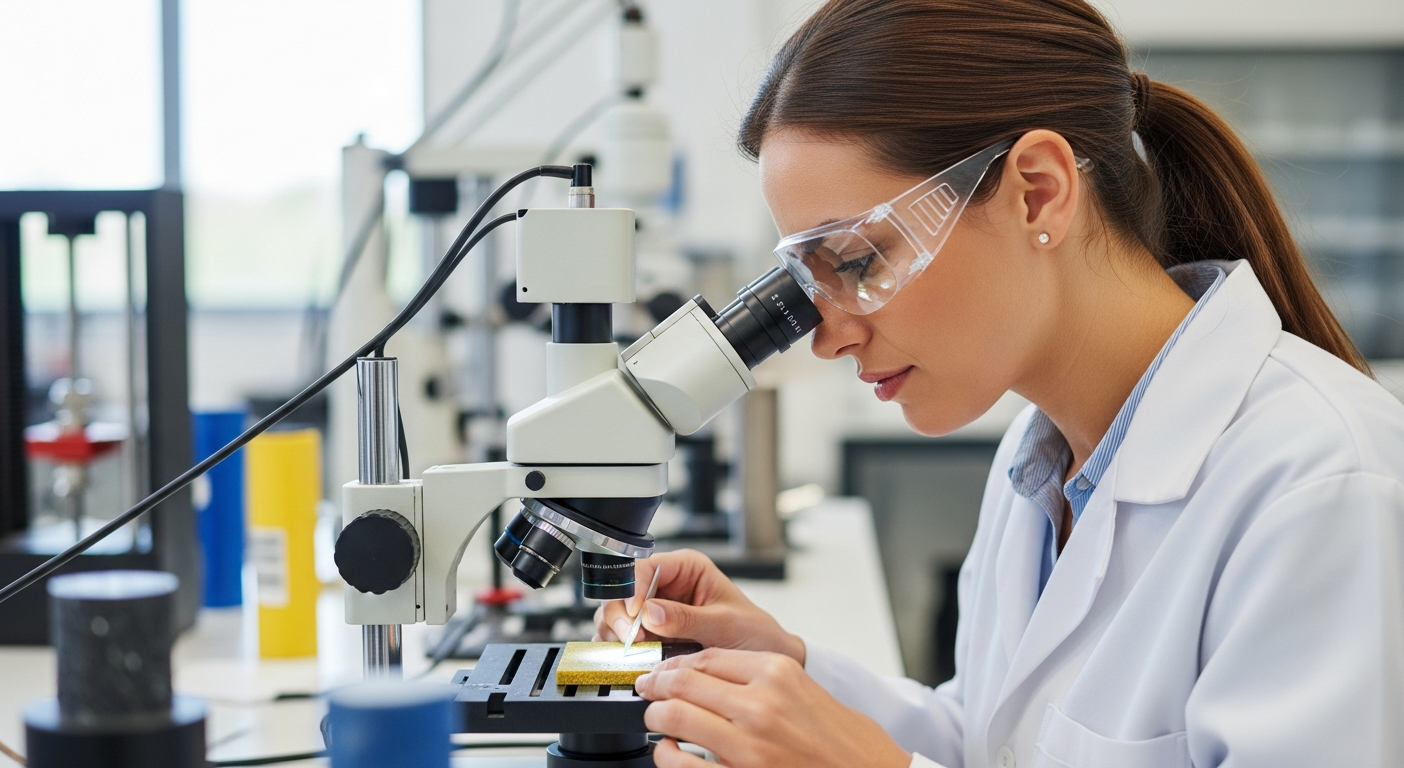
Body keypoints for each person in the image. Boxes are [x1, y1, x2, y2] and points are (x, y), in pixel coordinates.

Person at [592, 1, 1404, 766]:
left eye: (860, 262)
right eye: (810, 284)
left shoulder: (1323, 488)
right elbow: (996, 740)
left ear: (1038, 192)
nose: (828, 337)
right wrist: (786, 672)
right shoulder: (1039, 455)